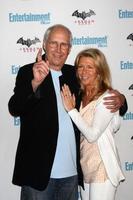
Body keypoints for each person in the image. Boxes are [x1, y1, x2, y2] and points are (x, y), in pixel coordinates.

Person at [8, 24, 127, 200]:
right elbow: (15, 107)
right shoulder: (28, 71)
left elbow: (99, 95)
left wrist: (122, 100)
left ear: (70, 49)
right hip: (37, 175)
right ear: (44, 44)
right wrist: (34, 84)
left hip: (71, 176)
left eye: (64, 44)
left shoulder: (75, 74)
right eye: (54, 43)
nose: (58, 49)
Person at [61, 48, 126, 200]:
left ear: (99, 71)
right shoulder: (80, 94)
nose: (83, 71)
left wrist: (71, 110)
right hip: (86, 166)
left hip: (102, 166)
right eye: (80, 67)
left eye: (90, 67)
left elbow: (92, 135)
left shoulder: (107, 97)